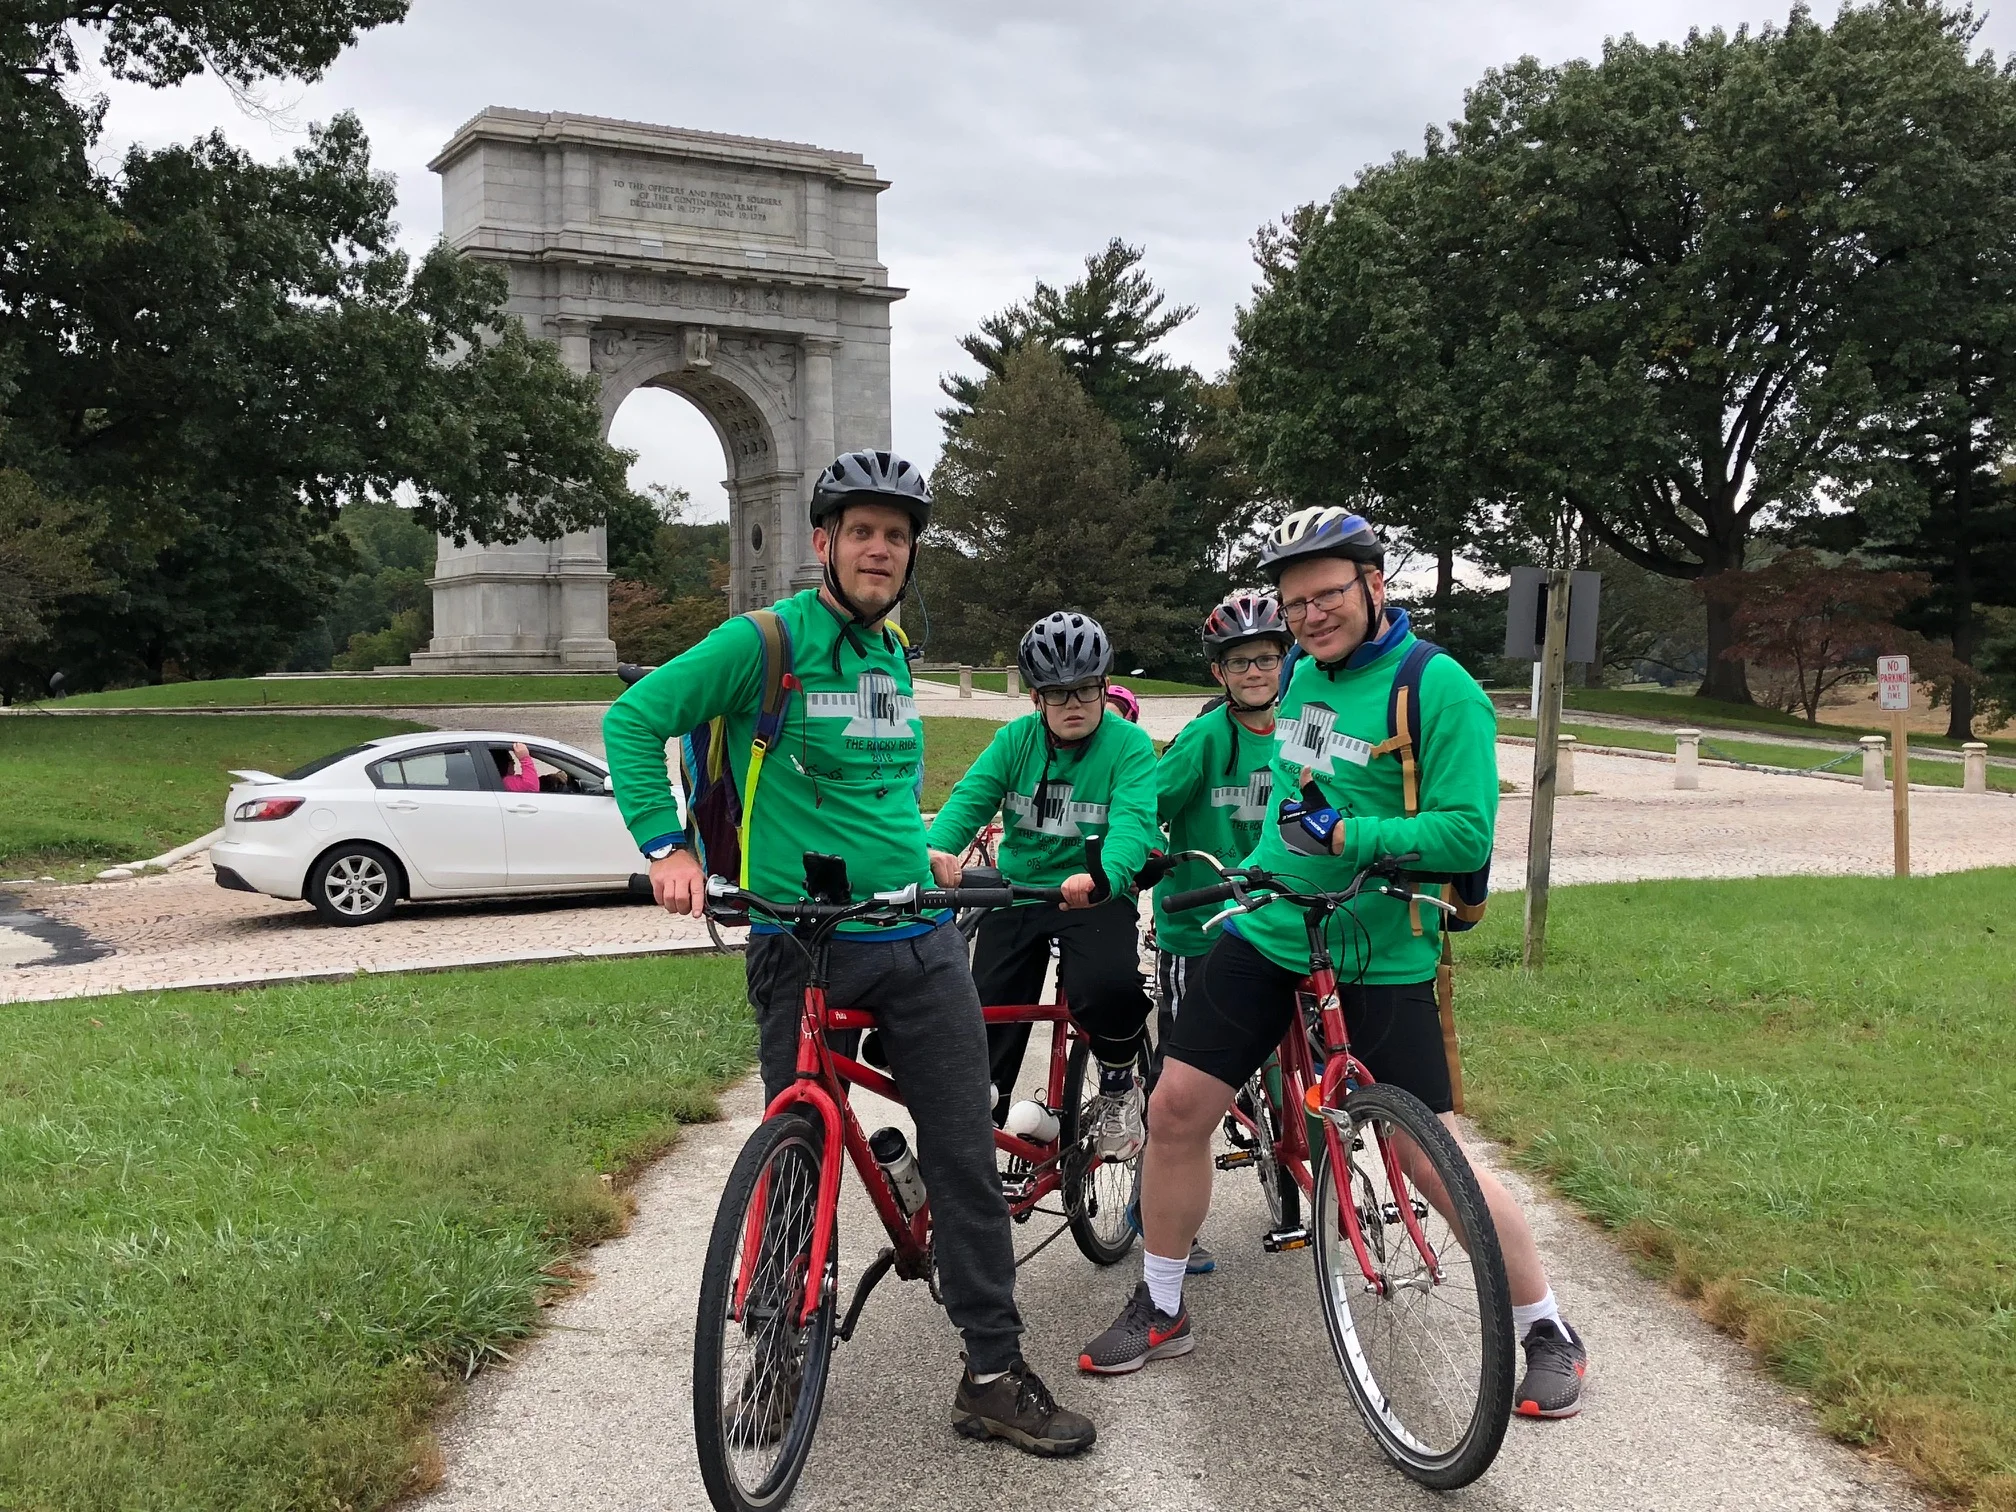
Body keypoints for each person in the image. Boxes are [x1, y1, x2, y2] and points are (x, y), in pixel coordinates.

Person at [603, 449, 1095, 1457]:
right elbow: (633, 718)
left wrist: (949, 857)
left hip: (916, 938)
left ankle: (992, 1373)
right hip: (803, 944)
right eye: (863, 533)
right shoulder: (765, 643)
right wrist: (666, 848)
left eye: (898, 537)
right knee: (795, 1160)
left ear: (910, 555)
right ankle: (778, 1362)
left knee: (964, 1152)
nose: (881, 550)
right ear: (824, 543)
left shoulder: (893, 650)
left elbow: (879, 798)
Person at [1080, 506, 1589, 1422]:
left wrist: (1348, 834)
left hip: (1380, 945)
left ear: (1373, 586)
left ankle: (1546, 1326)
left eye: (1327, 595)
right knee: (1177, 1108)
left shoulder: (1439, 690)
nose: (1311, 616)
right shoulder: (1308, 681)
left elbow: (1469, 831)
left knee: (1423, 1153)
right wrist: (1254, 861)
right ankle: (1161, 1303)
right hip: (1273, 927)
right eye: (1296, 602)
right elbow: (1295, 793)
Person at [926, 612, 1160, 1158]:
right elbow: (969, 797)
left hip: (1093, 891)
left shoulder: (1129, 745)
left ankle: (1121, 1083)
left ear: (1104, 687)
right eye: (1057, 695)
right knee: (987, 1009)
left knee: (1107, 988)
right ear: (1037, 700)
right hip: (1020, 890)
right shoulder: (1015, 740)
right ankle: (986, 1118)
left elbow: (1132, 823)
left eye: (1083, 690)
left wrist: (1105, 874)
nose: (1073, 704)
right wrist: (938, 846)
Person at [1144, 592, 1295, 1276]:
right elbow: (1145, 806)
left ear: (1285, 660)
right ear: (1219, 675)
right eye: (1240, 661)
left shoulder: (1301, 732)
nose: (1256, 670)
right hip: (1198, 924)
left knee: (1302, 1053)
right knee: (1185, 1081)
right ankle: (1152, 1206)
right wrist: (1148, 851)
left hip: (1273, 922)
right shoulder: (1205, 740)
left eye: (1266, 656)